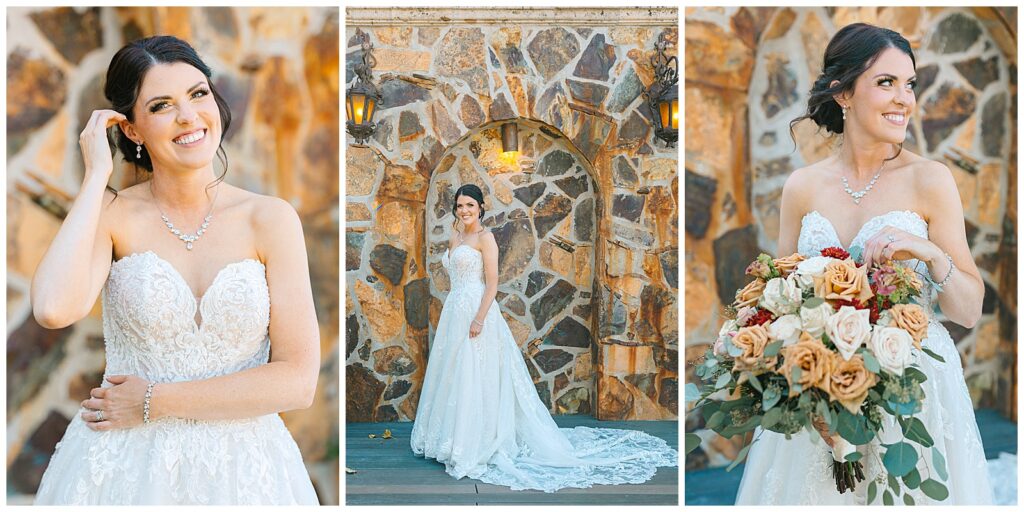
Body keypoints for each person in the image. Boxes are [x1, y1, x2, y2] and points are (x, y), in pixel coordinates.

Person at [30, 36, 320, 505]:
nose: (189, 117)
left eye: (198, 93)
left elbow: (298, 380)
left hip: (244, 472)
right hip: (121, 469)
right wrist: (94, 179)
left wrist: (153, 402)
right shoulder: (113, 214)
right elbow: (52, 307)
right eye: (162, 105)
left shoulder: (271, 219)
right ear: (133, 130)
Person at [734, 23, 994, 505]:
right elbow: (775, 299)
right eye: (886, 83)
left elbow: (969, 310)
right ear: (844, 93)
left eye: (909, 84)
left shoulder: (930, 180)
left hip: (913, 393)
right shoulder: (803, 187)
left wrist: (929, 252)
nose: (904, 100)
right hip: (820, 397)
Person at [409, 184, 677, 492]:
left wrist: (479, 318)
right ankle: (449, 438)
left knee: (476, 373)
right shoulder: (455, 236)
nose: (464, 210)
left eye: (470, 205)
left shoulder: (486, 239)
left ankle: (474, 442)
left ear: (481, 207)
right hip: (454, 310)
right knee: (455, 373)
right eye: (459, 206)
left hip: (476, 310)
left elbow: (492, 284)